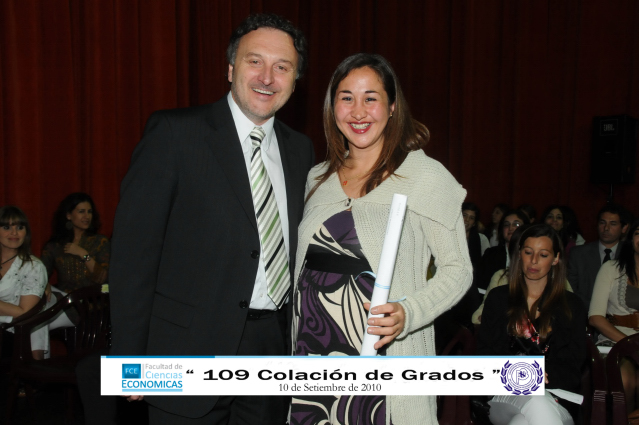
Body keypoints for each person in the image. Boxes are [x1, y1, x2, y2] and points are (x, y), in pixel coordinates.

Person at [109, 13, 314, 425]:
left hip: (271, 351)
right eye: (255, 61)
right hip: (184, 350)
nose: (267, 77)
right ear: (231, 68)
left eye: (282, 67)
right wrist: (129, 361)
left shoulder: (301, 150)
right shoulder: (174, 133)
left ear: (295, 80)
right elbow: (133, 255)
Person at [291, 53, 472, 425]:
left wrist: (409, 312)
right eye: (346, 98)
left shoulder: (424, 175)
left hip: (384, 360)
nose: (358, 111)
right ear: (332, 107)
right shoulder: (316, 178)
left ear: (392, 107)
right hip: (312, 355)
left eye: (370, 98)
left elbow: (458, 270)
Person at [478, 224, 587, 425]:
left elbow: (573, 368)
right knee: (537, 400)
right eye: (528, 252)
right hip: (503, 394)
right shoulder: (498, 298)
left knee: (522, 420)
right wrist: (528, 375)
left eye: (543, 255)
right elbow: (484, 357)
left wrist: (537, 376)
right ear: (519, 254)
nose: (534, 260)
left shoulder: (572, 305)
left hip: (557, 397)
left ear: (555, 259)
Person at [589, 219, 639, 414]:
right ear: (631, 238)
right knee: (624, 378)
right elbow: (595, 317)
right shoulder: (612, 268)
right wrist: (629, 344)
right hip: (616, 340)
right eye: (638, 233)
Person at [0, 206, 48, 359]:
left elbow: (24, 312)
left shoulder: (33, 266)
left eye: (20, 227)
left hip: (12, 333)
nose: (14, 233)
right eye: (7, 227)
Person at [41, 192, 110, 293]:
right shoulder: (55, 246)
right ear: (69, 215)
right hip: (66, 300)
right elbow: (40, 276)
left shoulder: (100, 242)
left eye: (89, 212)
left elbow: (103, 278)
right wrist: (45, 285)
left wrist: (83, 254)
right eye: (81, 211)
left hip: (95, 300)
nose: (87, 216)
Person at [568, 203, 631, 306]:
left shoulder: (631, 254)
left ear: (624, 228)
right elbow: (571, 290)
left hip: (622, 312)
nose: (606, 228)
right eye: (602, 223)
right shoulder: (578, 254)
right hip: (585, 310)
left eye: (613, 224)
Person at [478, 209, 529, 290]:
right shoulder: (491, 254)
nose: (510, 228)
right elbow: (481, 285)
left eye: (516, 224)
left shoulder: (530, 254)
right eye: (506, 225)